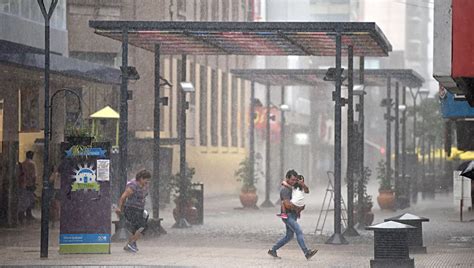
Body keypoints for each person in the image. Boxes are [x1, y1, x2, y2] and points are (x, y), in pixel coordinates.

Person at [268, 170, 318, 260]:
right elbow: (287, 204)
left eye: (295, 180)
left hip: (293, 215)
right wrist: (298, 208)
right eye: (292, 180)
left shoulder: (295, 188)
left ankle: (273, 250)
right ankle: (307, 252)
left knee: (289, 236)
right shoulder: (285, 190)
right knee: (298, 231)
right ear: (287, 178)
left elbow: (307, 191)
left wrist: (302, 184)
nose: (294, 182)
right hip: (287, 215)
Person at [115, 170, 151, 253]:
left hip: (139, 210)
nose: (147, 182)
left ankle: (129, 245)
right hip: (131, 209)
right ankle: (131, 244)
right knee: (143, 227)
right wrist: (119, 208)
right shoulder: (133, 186)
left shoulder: (143, 186)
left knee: (135, 229)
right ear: (141, 178)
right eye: (146, 179)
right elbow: (123, 197)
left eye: (148, 180)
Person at [19, 151, 37, 222]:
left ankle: (22, 213)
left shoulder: (23, 163)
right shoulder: (32, 164)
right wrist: (34, 183)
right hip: (30, 184)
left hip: (23, 184)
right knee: (30, 199)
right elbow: (34, 175)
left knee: (24, 199)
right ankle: (28, 213)